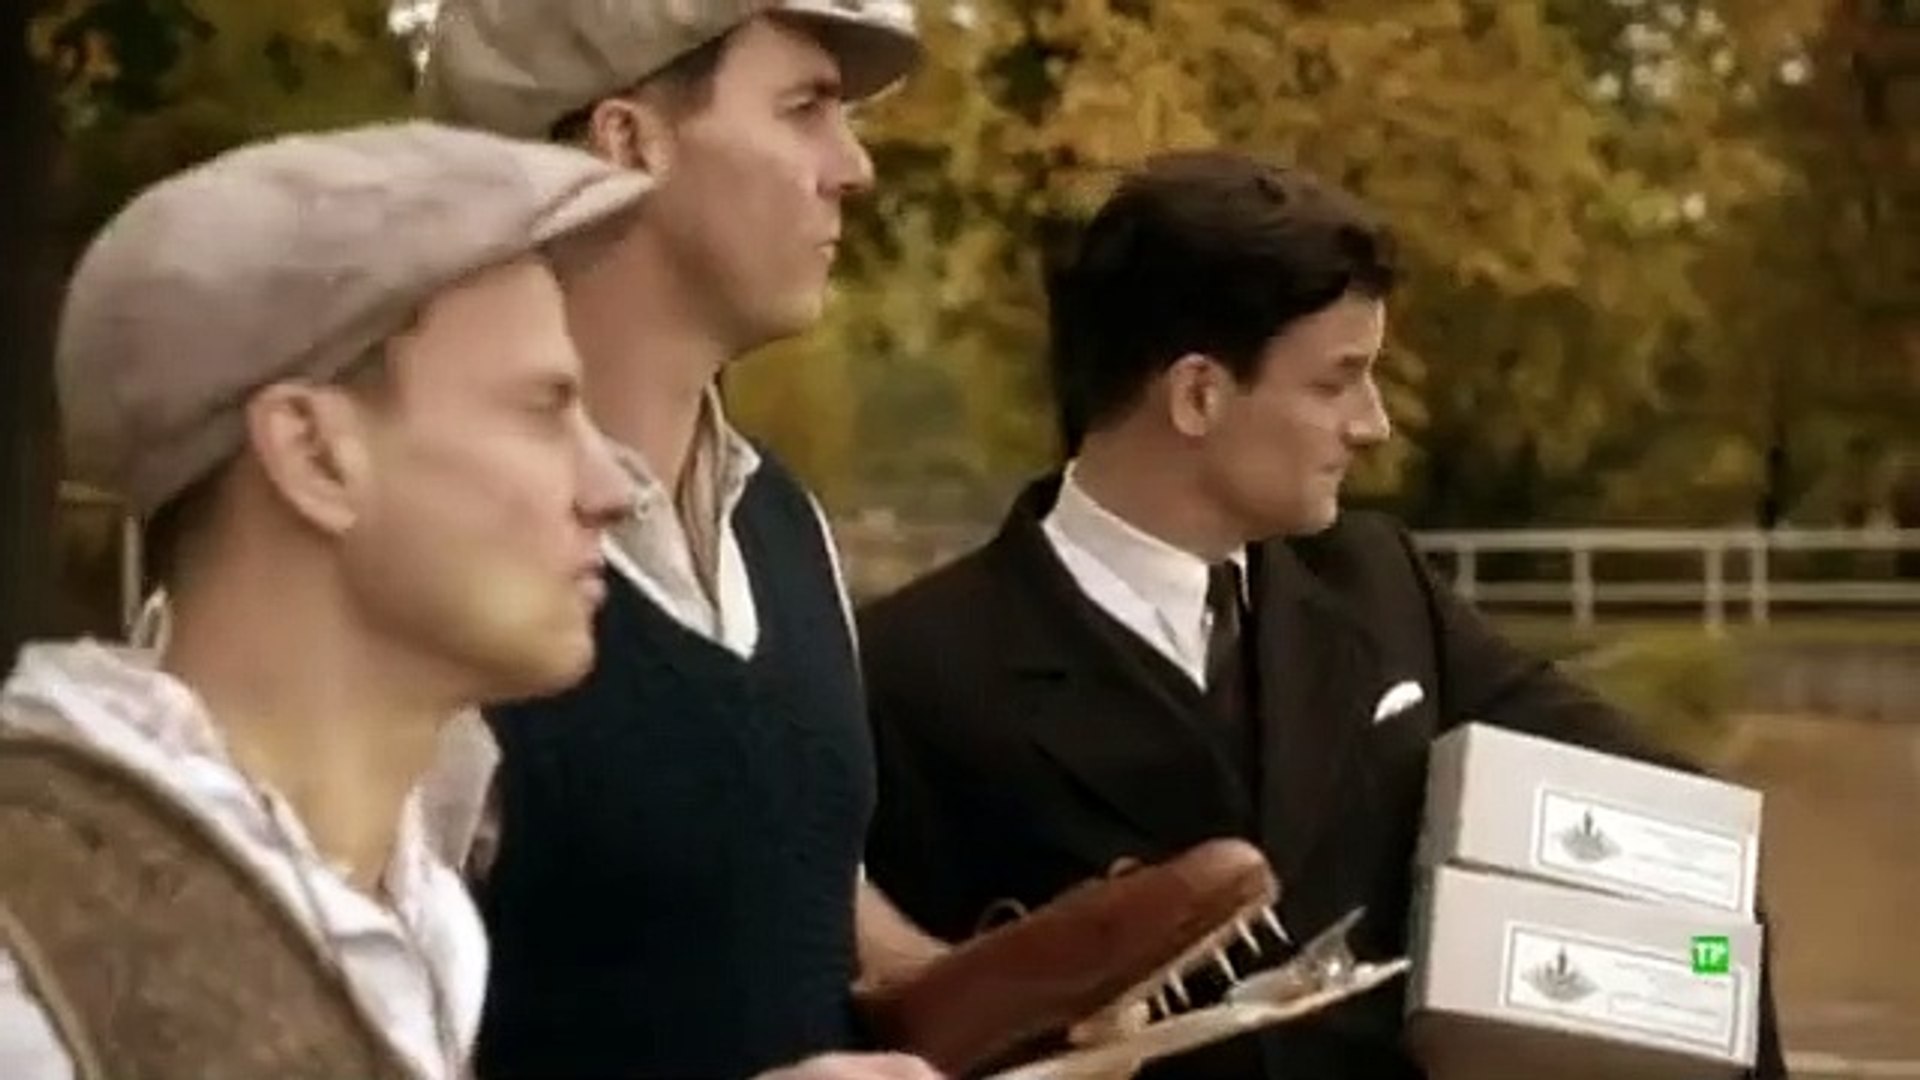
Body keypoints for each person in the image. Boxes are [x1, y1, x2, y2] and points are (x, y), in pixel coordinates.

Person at [857, 150, 1787, 1080]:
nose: (1374, 423)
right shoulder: (907, 676)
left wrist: (1715, 965)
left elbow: (1679, 838)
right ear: (1198, 395)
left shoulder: (1381, 584)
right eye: (1337, 381)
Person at [0, 121, 644, 1080]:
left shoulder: (412, 914)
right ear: (314, 454)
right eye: (544, 409)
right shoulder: (29, 969)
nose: (614, 489)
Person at [417, 2, 958, 1077]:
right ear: (627, 143)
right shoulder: (415, 570)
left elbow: (774, 884)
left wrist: (1008, 991)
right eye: (804, 109)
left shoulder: (783, 525)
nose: (852, 167)